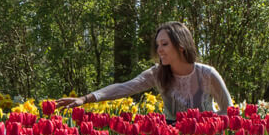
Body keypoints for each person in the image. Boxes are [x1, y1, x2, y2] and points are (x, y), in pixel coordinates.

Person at [56, 22, 233, 122]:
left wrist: (203, 121)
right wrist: (86, 98)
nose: (159, 50)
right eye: (157, 45)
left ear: (181, 46)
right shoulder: (158, 74)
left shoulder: (207, 75)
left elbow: (229, 111)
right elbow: (125, 88)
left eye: (164, 44)